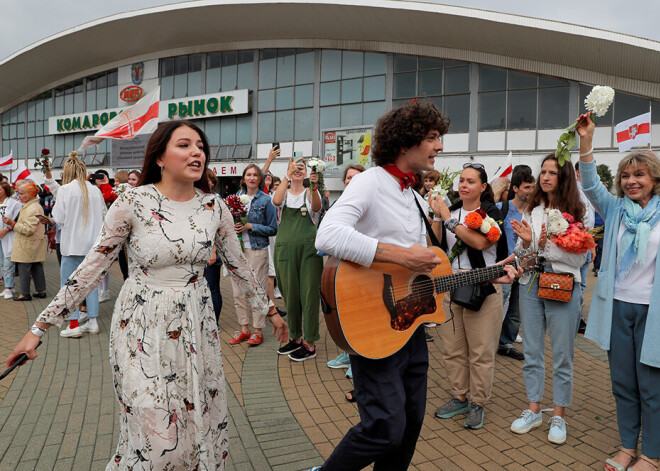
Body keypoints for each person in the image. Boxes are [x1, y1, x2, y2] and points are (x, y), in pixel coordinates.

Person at [6, 120, 287, 470]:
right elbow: (92, 268)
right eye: (184, 145)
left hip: (197, 328)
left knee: (197, 423)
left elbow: (239, 266)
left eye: (200, 145)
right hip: (141, 326)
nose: (196, 151)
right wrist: (38, 328)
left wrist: (270, 311)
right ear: (159, 156)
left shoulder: (214, 207)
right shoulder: (132, 202)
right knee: (155, 435)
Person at [314, 101, 518, 470]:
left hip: (410, 331)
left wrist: (491, 272)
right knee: (384, 429)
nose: (439, 146)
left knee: (409, 426)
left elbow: (428, 273)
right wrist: (401, 256)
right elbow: (326, 234)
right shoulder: (370, 182)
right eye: (432, 138)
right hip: (374, 327)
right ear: (405, 142)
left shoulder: (414, 196)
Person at [578, 115, 660, 471]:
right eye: (626, 176)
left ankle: (652, 455)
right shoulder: (614, 210)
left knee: (652, 389)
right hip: (617, 309)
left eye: (639, 174)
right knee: (623, 383)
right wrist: (587, 140)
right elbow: (591, 182)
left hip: (653, 313)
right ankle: (629, 447)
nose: (631, 181)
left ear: (655, 178)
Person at [509, 154, 587, 445]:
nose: (545, 177)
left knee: (562, 355)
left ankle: (559, 415)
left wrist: (546, 247)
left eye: (552, 172)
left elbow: (578, 260)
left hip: (564, 284)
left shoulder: (578, 210)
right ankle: (533, 409)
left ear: (563, 176)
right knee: (531, 351)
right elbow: (521, 254)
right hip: (531, 284)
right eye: (543, 172)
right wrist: (528, 244)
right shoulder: (533, 208)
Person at [433, 163, 508, 430]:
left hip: (483, 286)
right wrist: (438, 216)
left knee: (481, 352)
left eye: (471, 181)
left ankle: (477, 402)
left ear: (483, 187)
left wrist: (449, 219)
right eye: (461, 180)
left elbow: (479, 243)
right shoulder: (450, 210)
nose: (464, 185)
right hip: (451, 284)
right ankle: (458, 396)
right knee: (452, 349)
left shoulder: (490, 213)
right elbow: (436, 244)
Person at [272, 157, 323, 361]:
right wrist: (286, 175)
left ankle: (310, 343)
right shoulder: (283, 193)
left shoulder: (309, 193)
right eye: (294, 168)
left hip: (308, 252)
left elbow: (317, 207)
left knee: (309, 296)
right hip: (285, 251)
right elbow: (276, 201)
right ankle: (295, 338)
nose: (297, 171)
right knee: (290, 295)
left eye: (301, 168)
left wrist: (314, 185)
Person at [52, 151, 107, 338]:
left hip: (72, 245)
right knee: (90, 284)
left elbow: (58, 218)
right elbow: (104, 214)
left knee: (69, 285)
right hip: (93, 245)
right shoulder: (95, 190)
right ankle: (92, 321)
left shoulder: (65, 190)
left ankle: (74, 323)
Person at [325, 163, 366, 398]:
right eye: (348, 178)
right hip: (340, 267)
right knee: (344, 313)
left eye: (356, 178)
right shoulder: (340, 205)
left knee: (360, 317)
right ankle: (349, 353)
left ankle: (357, 361)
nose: (351, 181)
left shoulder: (368, 206)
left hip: (361, 270)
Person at [228, 164, 278, 347]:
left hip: (257, 250)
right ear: (244, 178)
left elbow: (273, 229)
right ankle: (244, 329)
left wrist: (250, 226)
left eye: (255, 175)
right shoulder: (234, 199)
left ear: (260, 178)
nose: (251, 178)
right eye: (248, 174)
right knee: (238, 291)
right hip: (237, 250)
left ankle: (258, 331)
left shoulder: (266, 200)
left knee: (257, 290)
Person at [496, 167, 535, 361]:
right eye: (527, 187)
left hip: (526, 266)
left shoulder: (534, 212)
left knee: (516, 310)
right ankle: (488, 339)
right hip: (503, 265)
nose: (531, 191)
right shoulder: (500, 208)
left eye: (532, 187)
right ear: (516, 188)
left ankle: (506, 343)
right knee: (498, 304)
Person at [3, 181, 47, 301]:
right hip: (34, 242)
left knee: (24, 268)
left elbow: (28, 230)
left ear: (31, 194)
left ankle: (24, 293)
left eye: (22, 194)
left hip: (27, 243)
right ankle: (41, 290)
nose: (19, 196)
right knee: (36, 265)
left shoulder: (31, 208)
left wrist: (13, 223)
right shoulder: (32, 206)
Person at [203, 168, 223, 322]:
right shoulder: (194, 199)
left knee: (213, 288)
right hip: (197, 253)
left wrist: (213, 251)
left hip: (211, 252)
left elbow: (216, 229)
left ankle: (214, 322)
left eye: (208, 179)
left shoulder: (216, 201)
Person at [0, 181, 21, 299]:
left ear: (6, 191)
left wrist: (7, 229)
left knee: (8, 261)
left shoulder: (14, 204)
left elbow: (18, 220)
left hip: (8, 235)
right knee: (2, 262)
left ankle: (8, 287)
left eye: (0, 190)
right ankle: (9, 286)